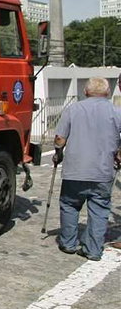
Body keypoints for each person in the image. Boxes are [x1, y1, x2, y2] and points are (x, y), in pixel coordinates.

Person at [53, 77, 121, 261]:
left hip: (75, 169)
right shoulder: (116, 112)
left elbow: (60, 139)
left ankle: (68, 243)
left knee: (69, 205)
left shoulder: (73, 109)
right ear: (107, 92)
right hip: (103, 170)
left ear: (86, 91)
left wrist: (58, 153)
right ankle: (93, 249)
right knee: (99, 209)